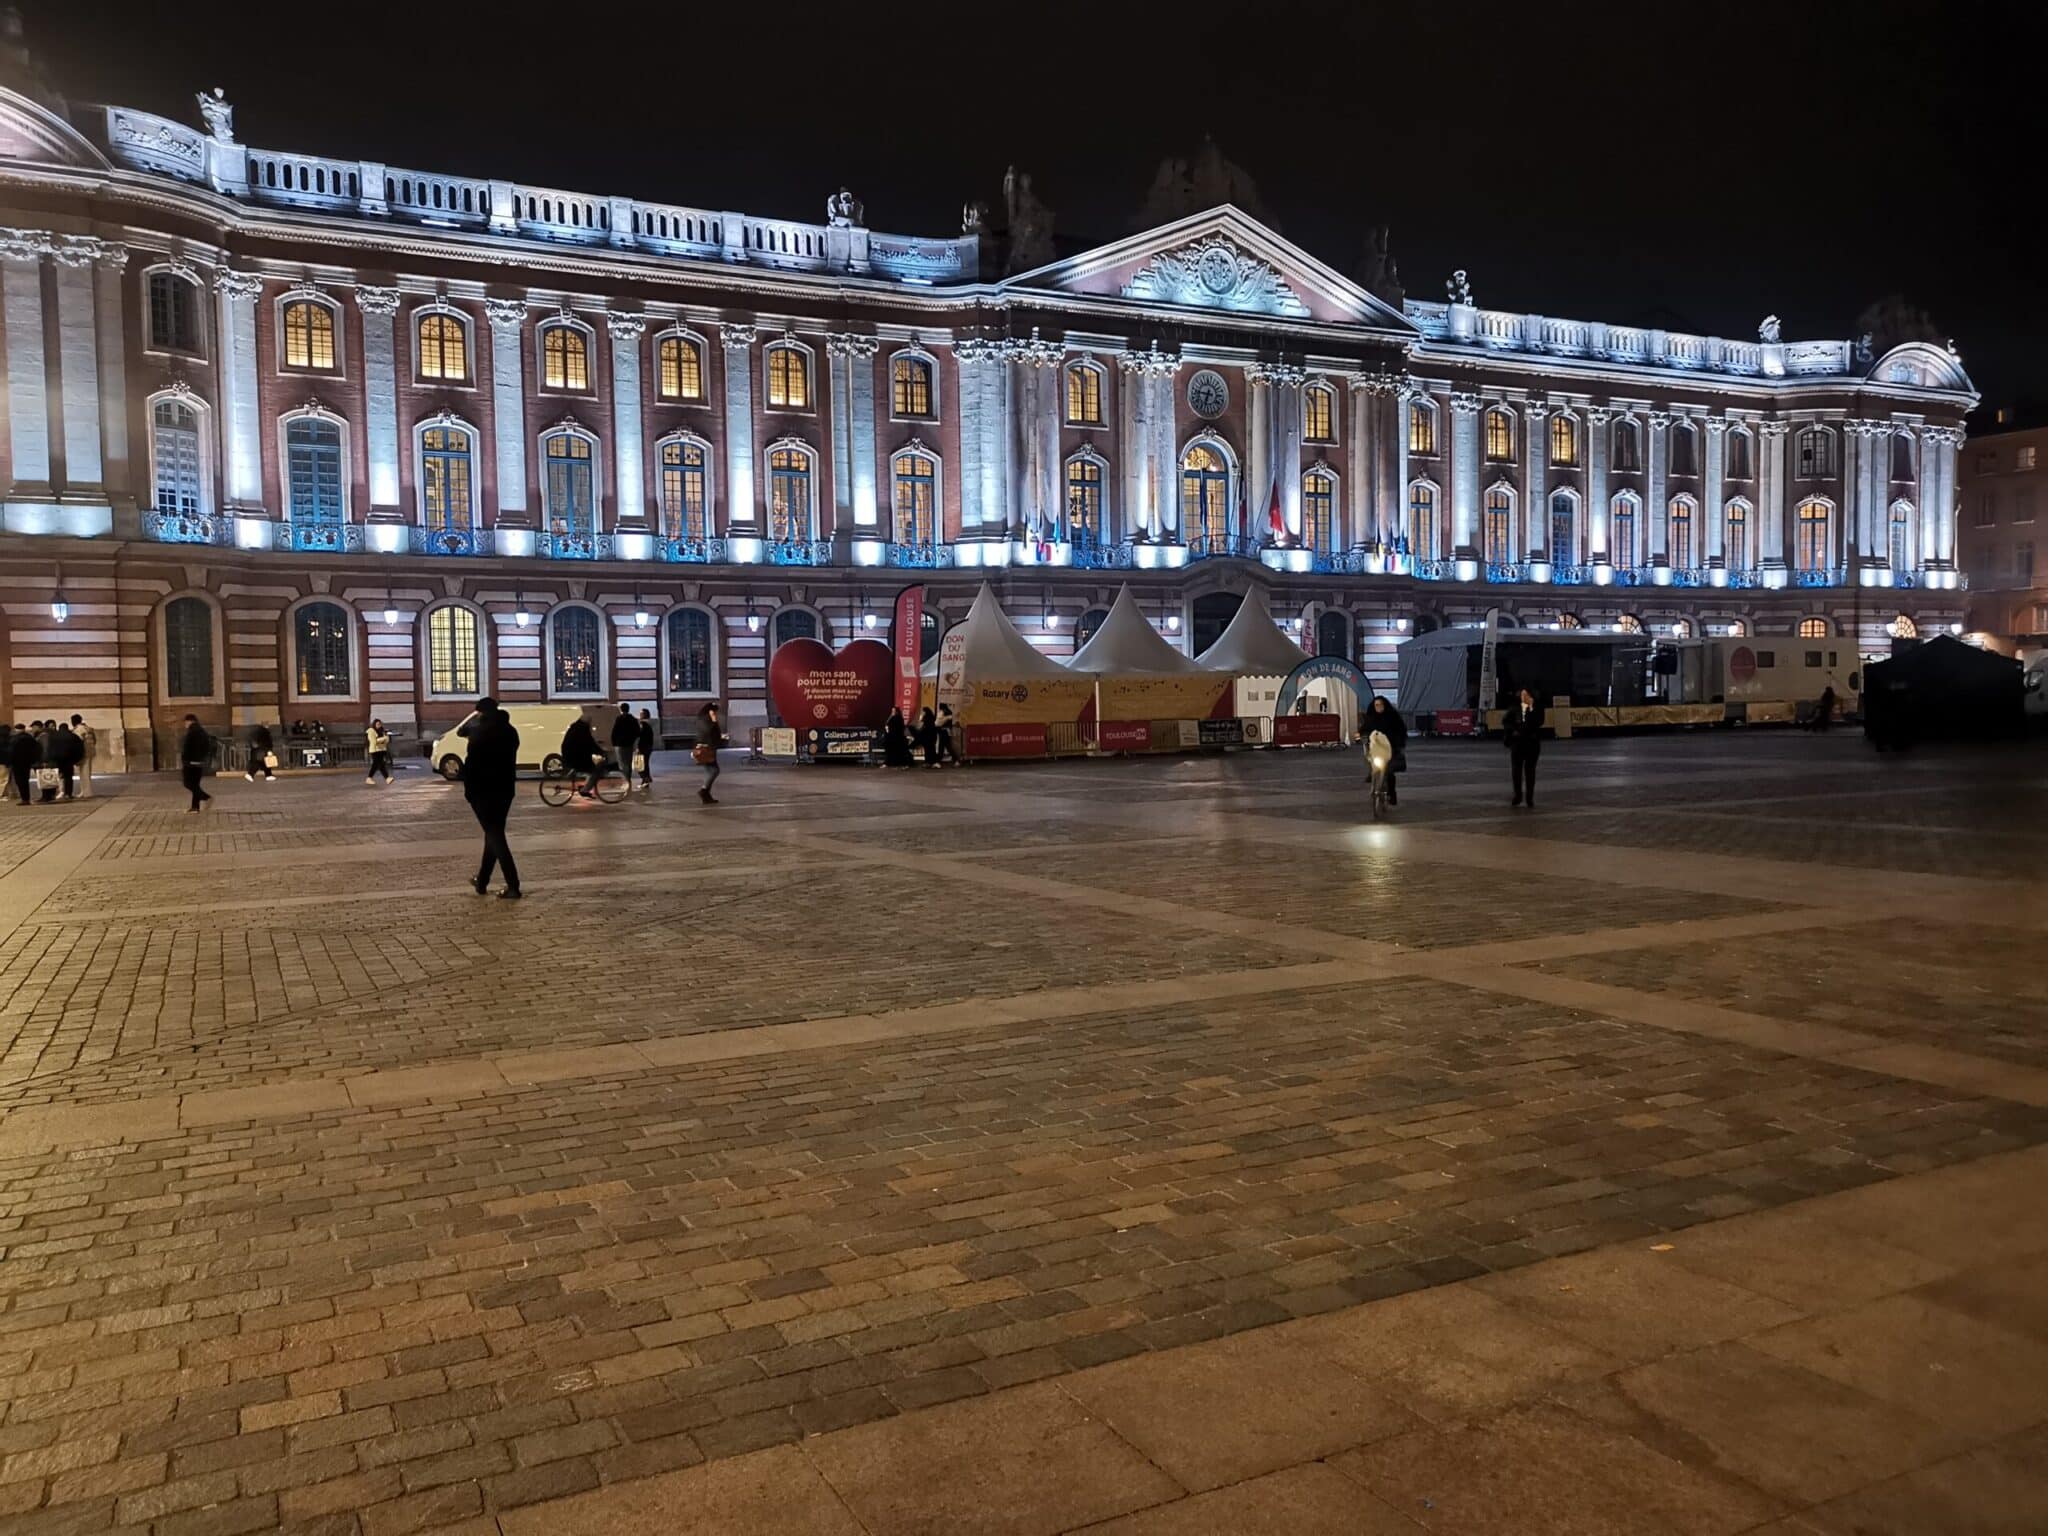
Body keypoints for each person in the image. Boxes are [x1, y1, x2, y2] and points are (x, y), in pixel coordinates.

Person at [462, 696, 520, 899]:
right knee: (493, 834)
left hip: (482, 791)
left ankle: (513, 885)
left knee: (495, 836)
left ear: (481, 713)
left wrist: (468, 790)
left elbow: (470, 763)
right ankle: (482, 881)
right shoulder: (510, 731)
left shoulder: (479, 732)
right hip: (505, 790)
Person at [1501, 687, 1543, 808]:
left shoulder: (1534, 707)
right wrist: (1514, 730)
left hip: (1528, 742)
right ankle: (1520, 796)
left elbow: (1539, 721)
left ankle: (1526, 797)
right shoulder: (1516, 708)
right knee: (1520, 771)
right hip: (1521, 742)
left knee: (1526, 771)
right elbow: (1506, 721)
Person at [1361, 695, 1407, 806]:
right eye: (1376, 705)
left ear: (1385, 705)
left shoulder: (1393, 717)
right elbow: (1364, 730)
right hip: (1375, 748)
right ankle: (1372, 775)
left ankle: (1392, 793)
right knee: (1369, 759)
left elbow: (1401, 730)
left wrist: (1398, 742)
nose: (1378, 707)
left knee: (1389, 772)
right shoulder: (1371, 718)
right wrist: (1362, 736)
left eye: (1380, 705)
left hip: (1390, 748)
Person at [561, 713, 605, 797]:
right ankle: (585, 790)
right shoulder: (583, 730)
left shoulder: (574, 727)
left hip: (568, 754)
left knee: (587, 766)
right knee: (594, 771)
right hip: (575, 757)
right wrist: (601, 751)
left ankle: (573, 773)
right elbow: (590, 743)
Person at [180, 714, 213, 812]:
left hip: (191, 762)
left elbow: (187, 747)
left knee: (188, 783)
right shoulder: (202, 731)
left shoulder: (192, 732)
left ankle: (206, 797)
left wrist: (185, 759)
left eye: (185, 722)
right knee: (195, 785)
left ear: (189, 721)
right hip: (200, 762)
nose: (185, 724)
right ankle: (195, 807)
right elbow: (207, 746)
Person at [694, 703, 724, 804]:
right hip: (707, 748)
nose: (716, 714)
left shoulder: (702, 719)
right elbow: (709, 732)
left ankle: (706, 794)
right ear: (710, 711)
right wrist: (714, 721)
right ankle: (704, 791)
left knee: (710, 771)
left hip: (707, 747)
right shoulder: (706, 720)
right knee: (714, 770)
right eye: (715, 712)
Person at [6, 720, 38, 807]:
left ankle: (24, 799)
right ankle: (26, 798)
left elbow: (11, 752)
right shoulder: (30, 738)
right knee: (25, 780)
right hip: (27, 763)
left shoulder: (14, 739)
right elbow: (35, 750)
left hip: (17, 763)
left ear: (16, 730)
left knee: (20, 781)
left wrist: (9, 762)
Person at [49, 720, 83, 800]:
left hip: (57, 759)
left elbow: (50, 747)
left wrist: (52, 758)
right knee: (69, 777)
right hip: (69, 760)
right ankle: (68, 793)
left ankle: (60, 791)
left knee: (59, 776)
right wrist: (76, 759)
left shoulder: (54, 736)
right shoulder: (73, 736)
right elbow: (79, 748)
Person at [610, 702, 640, 790]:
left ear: (621, 709)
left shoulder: (619, 718)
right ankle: (628, 779)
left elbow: (614, 731)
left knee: (622, 763)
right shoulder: (633, 719)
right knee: (628, 762)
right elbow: (637, 732)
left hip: (619, 744)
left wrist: (613, 742)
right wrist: (632, 739)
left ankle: (625, 780)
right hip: (629, 744)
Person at [70, 715, 95, 798]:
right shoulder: (88, 728)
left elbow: (77, 742)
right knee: (86, 773)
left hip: (83, 753)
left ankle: (86, 792)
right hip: (90, 751)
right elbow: (94, 740)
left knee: (84, 773)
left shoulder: (78, 729)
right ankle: (84, 791)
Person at [365, 719, 393, 784]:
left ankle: (369, 778)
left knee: (375, 765)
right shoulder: (371, 731)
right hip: (375, 750)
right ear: (374, 724)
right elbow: (373, 741)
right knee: (380, 764)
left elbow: (386, 740)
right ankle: (387, 778)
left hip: (382, 750)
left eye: (380, 724)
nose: (379, 726)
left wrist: (386, 738)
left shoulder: (382, 731)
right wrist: (383, 739)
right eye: (377, 724)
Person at [635, 708, 656, 790]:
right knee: (645, 764)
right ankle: (645, 780)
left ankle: (645, 779)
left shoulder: (643, 724)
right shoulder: (648, 723)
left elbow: (640, 736)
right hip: (648, 747)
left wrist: (638, 747)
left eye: (641, 714)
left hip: (643, 747)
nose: (640, 715)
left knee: (640, 765)